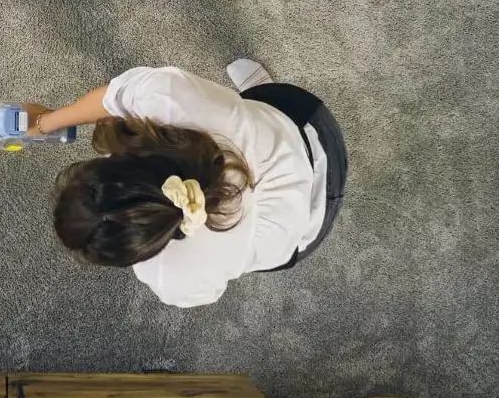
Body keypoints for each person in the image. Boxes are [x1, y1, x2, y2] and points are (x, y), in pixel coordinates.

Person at [31, 60, 347, 308]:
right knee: (251, 109)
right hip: (311, 132)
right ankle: (259, 94)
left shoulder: (172, 280)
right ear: (116, 161)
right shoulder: (167, 99)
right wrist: (46, 122)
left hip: (305, 232)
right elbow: (113, 98)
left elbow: (210, 290)